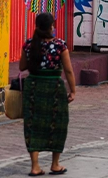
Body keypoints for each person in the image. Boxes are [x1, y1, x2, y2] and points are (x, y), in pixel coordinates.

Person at [19, 13, 75, 176]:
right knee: (57, 124)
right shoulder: (60, 45)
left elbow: (22, 66)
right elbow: (69, 70)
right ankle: (55, 164)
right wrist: (73, 90)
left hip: (33, 88)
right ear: (51, 27)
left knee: (33, 124)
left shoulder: (29, 44)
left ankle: (35, 166)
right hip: (54, 88)